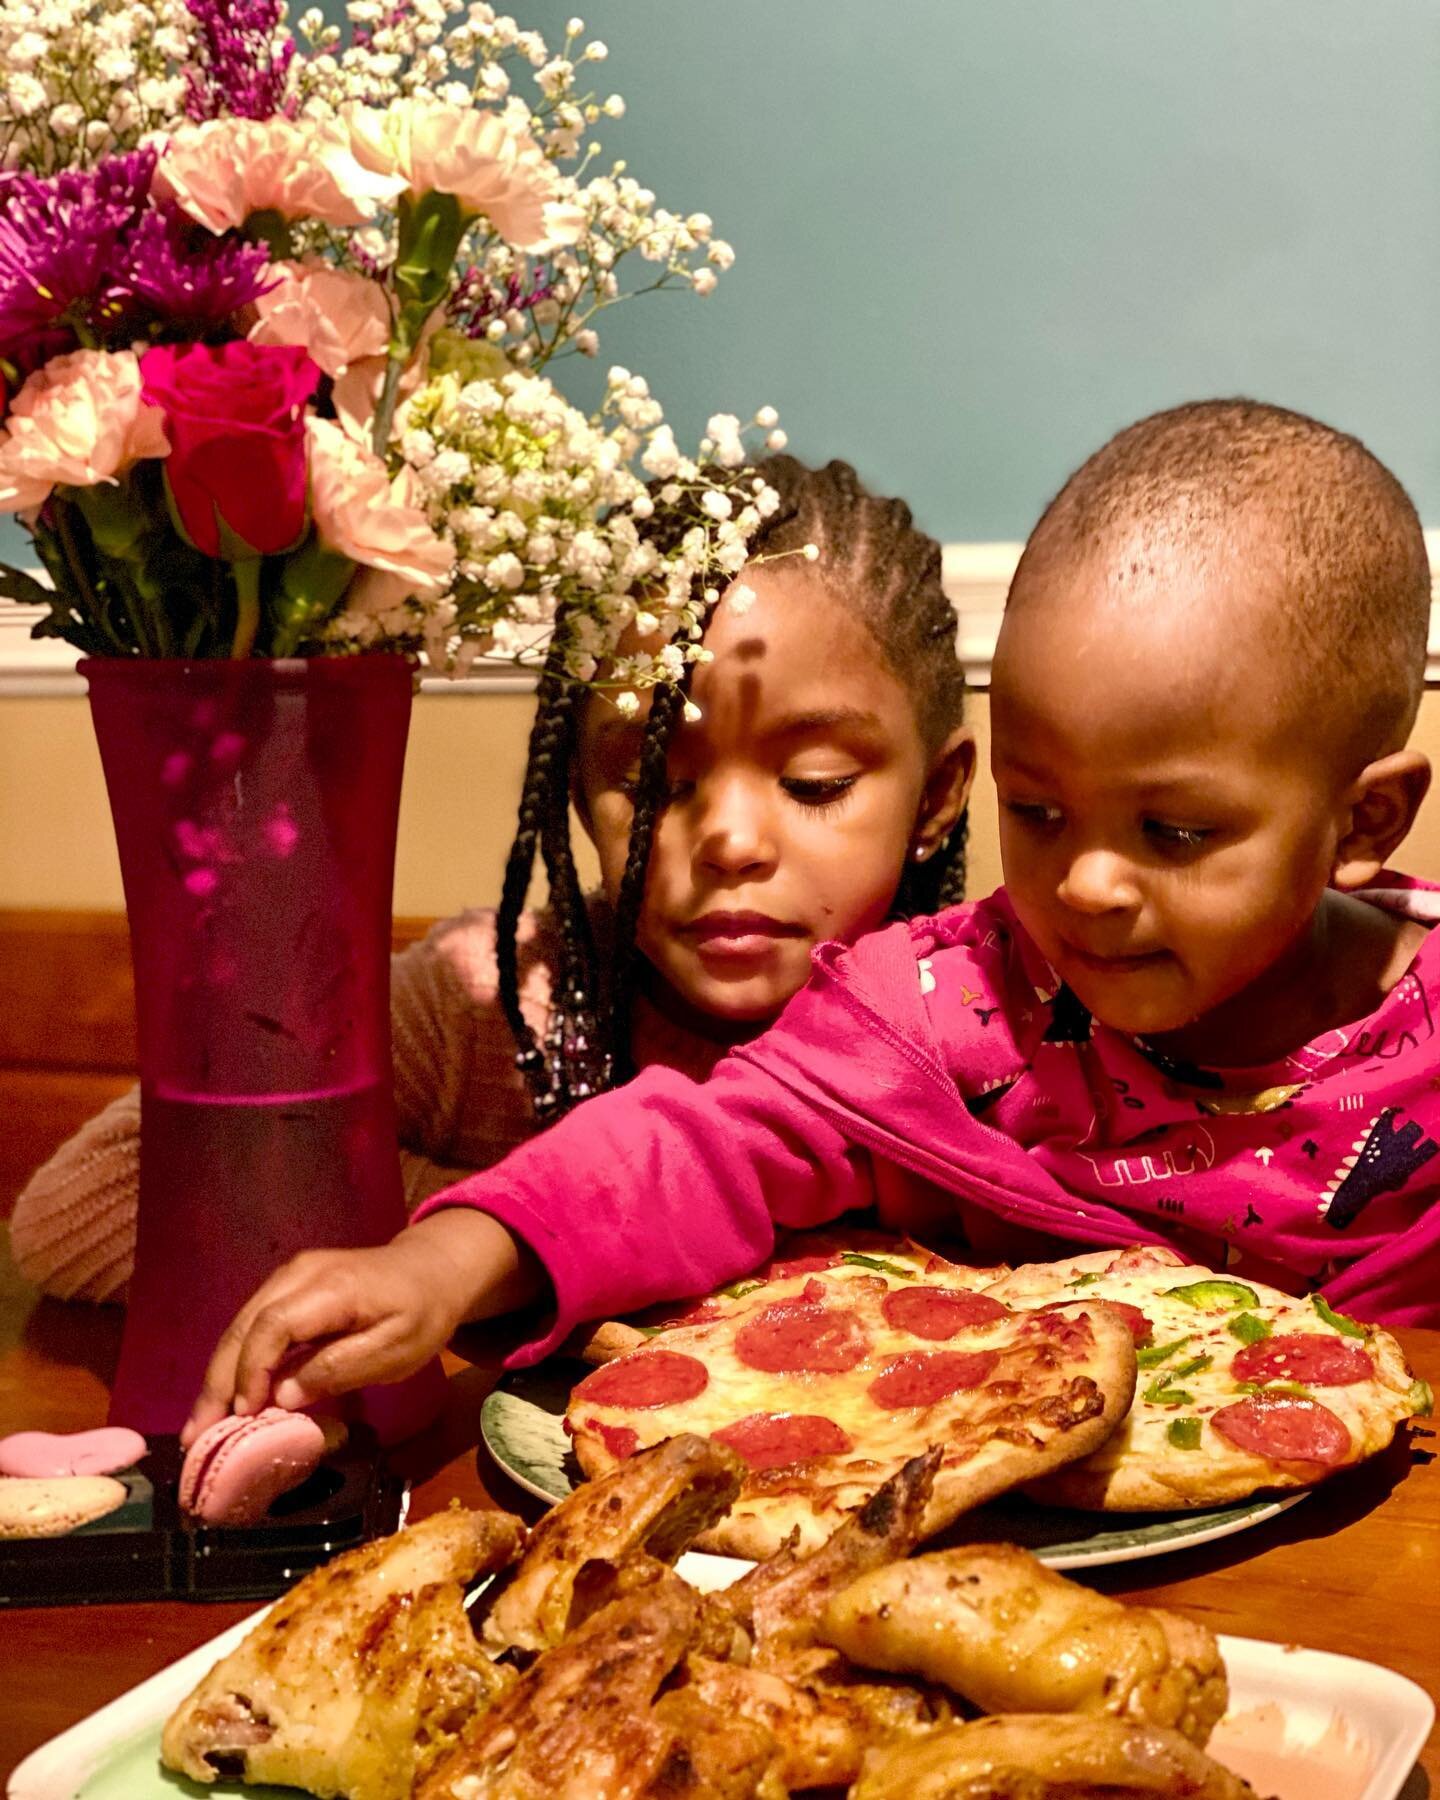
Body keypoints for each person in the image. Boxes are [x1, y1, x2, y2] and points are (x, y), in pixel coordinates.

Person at [188, 396, 1440, 1437]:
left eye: (1175, 833)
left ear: (1366, 823)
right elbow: (702, 1145)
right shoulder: (948, 1007)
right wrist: (445, 1260)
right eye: (1042, 812)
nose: (1087, 887)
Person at [8, 455, 976, 1307]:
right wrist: (503, 1237)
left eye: (814, 785)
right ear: (572, 783)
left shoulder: (991, 1028)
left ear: (935, 795)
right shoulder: (498, 1005)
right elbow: (81, 1204)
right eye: (650, 782)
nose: (727, 839)